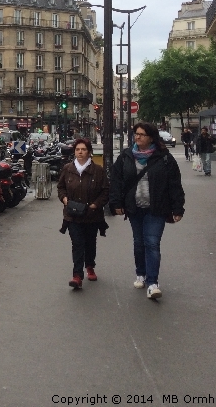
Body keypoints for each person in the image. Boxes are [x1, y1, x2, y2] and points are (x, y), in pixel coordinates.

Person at [109, 122, 184, 300]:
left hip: (156, 207)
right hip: (134, 207)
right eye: (136, 134)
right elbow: (116, 181)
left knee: (152, 243)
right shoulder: (126, 156)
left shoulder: (164, 157)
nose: (138, 137)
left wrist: (178, 207)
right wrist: (116, 203)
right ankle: (140, 273)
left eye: (142, 134)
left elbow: (174, 184)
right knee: (138, 242)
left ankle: (152, 282)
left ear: (151, 137)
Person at [57, 138, 110, 289]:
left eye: (83, 149)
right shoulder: (68, 168)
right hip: (72, 214)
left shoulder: (97, 170)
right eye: (77, 150)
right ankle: (77, 275)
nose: (80, 152)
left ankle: (90, 266)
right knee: (77, 243)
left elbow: (105, 190)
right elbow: (61, 187)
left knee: (90, 242)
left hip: (91, 215)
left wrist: (95, 205)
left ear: (89, 152)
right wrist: (65, 200)